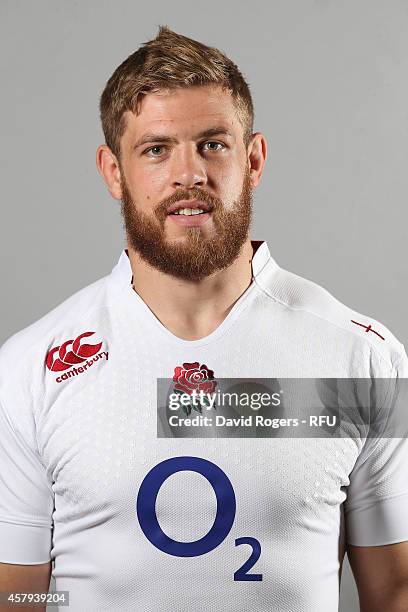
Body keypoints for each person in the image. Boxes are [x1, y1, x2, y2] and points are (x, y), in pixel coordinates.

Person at [0, 25, 407, 612]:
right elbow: (15, 594)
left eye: (212, 144)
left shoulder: (361, 358)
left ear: (255, 158)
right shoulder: (32, 366)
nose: (189, 174)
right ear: (114, 171)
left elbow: (395, 588)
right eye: (156, 149)